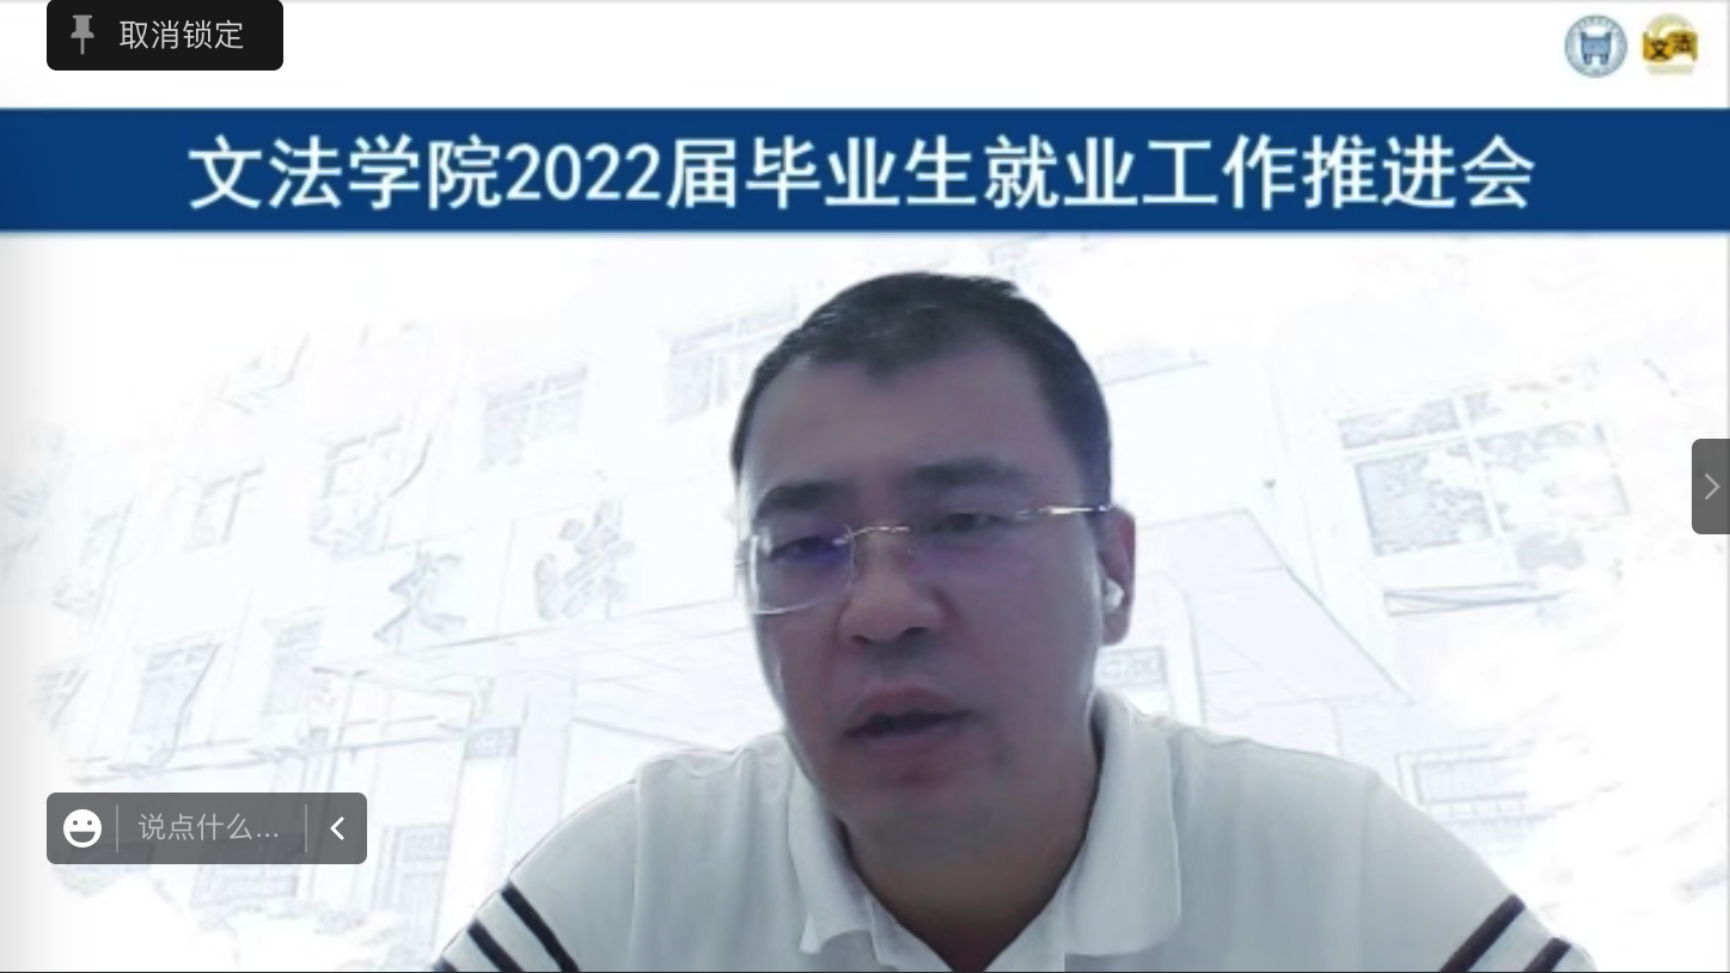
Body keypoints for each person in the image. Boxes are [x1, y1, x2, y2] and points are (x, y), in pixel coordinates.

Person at [433, 272, 1593, 972]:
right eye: (804, 545)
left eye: (965, 521)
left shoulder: (1326, 861)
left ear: (1111, 570)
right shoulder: (649, 871)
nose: (880, 608)